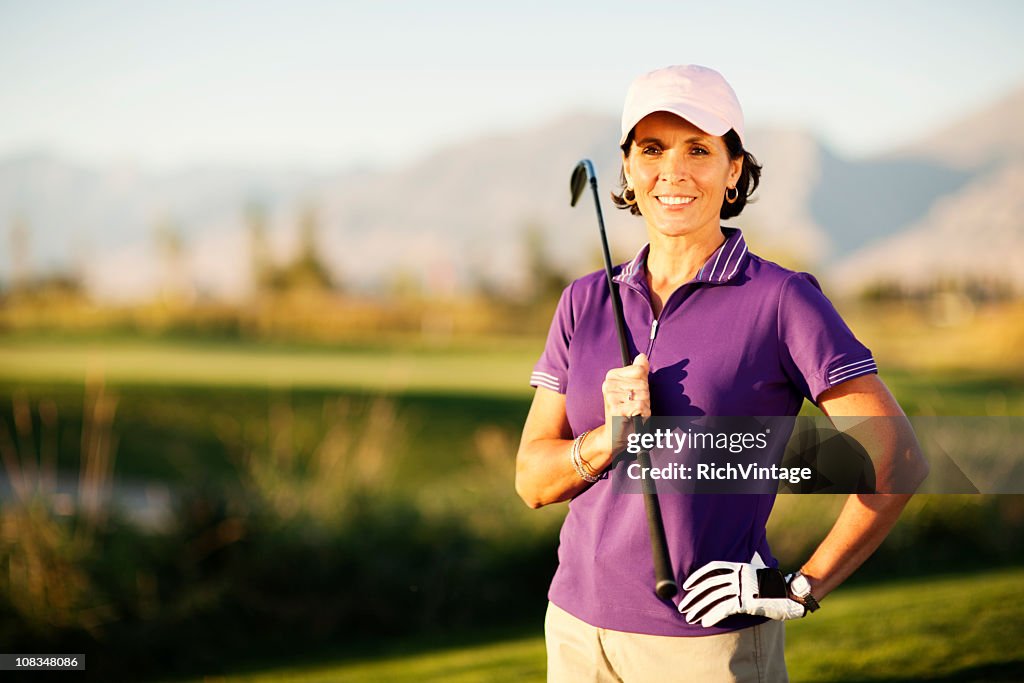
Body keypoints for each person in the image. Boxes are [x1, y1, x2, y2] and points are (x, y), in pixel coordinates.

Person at [515, 64, 928, 682]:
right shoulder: (584, 300)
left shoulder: (782, 299)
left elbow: (899, 461)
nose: (673, 171)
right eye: (651, 149)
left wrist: (800, 586)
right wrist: (608, 438)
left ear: (734, 169)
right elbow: (532, 482)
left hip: (705, 647)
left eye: (698, 149)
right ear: (626, 166)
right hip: (575, 631)